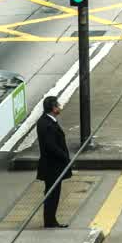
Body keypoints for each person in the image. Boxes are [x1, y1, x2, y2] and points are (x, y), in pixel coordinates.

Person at [36, 95, 72, 228]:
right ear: (52, 108)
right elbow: (51, 146)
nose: (59, 107)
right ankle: (50, 221)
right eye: (57, 105)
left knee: (52, 193)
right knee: (52, 195)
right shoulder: (47, 124)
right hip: (52, 167)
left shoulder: (45, 121)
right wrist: (65, 157)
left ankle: (50, 220)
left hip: (51, 166)